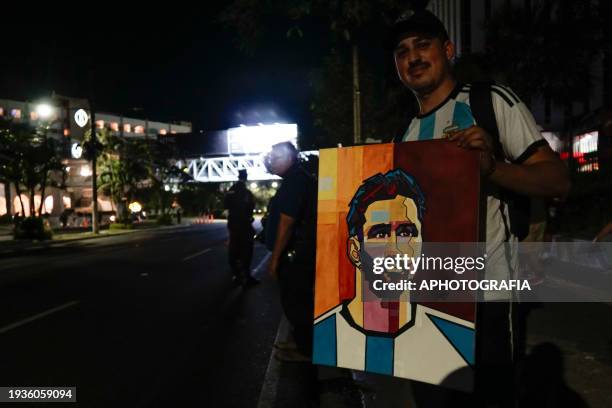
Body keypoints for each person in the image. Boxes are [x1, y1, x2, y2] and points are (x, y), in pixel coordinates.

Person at [388, 8, 570, 406]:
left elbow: (556, 180)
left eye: (423, 45)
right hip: (426, 298)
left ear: (448, 50)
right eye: (402, 51)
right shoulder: (404, 134)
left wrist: (491, 169)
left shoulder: (490, 101)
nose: (413, 57)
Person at [265, 142, 317, 362]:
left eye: (277, 156)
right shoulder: (296, 178)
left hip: (296, 254)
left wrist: (274, 260)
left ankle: (306, 351)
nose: (272, 160)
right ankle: (300, 341)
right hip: (298, 252)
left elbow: (287, 222)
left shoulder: (295, 181)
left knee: (296, 303)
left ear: (290, 158)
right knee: (297, 300)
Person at [224, 169, 258, 287]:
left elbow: (225, 204)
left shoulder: (231, 190)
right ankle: (246, 277)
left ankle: (237, 276)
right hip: (244, 224)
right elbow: (251, 207)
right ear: (246, 177)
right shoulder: (246, 192)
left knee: (233, 249)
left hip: (233, 224)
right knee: (246, 251)